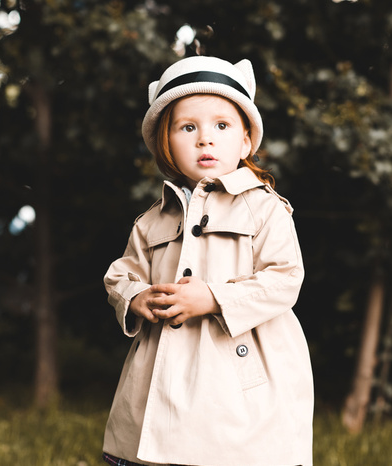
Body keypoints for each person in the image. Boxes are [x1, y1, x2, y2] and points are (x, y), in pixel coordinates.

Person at [101, 56, 314, 466]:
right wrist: (137, 296)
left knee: (232, 450)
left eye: (222, 125)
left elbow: (286, 278)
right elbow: (121, 273)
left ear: (246, 141)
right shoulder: (153, 219)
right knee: (151, 444)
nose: (205, 139)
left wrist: (215, 298)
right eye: (188, 127)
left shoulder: (263, 208)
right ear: (166, 142)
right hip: (161, 373)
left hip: (239, 375)